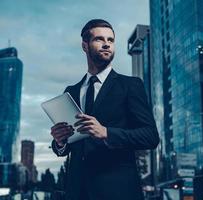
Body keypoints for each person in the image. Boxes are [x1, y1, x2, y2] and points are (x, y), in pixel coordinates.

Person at [50, 19, 159, 200]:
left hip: (118, 190)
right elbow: (68, 147)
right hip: (77, 191)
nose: (107, 44)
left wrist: (107, 133)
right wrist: (60, 142)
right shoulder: (71, 92)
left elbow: (150, 136)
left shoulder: (130, 85)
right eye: (99, 39)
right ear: (85, 46)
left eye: (111, 40)